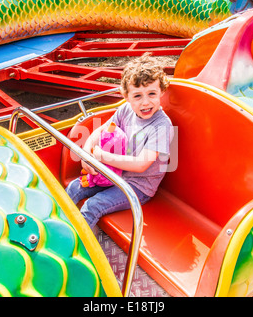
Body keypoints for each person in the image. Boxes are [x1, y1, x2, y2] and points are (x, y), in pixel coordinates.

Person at [66, 53, 174, 229]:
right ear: (126, 96)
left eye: (152, 94)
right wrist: (87, 152)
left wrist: (101, 156)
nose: (145, 102)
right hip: (114, 174)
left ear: (161, 91)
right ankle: (60, 228)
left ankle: (77, 248)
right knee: (73, 188)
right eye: (137, 96)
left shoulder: (161, 126)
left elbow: (141, 165)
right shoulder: (125, 110)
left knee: (93, 205)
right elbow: (103, 129)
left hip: (138, 187)